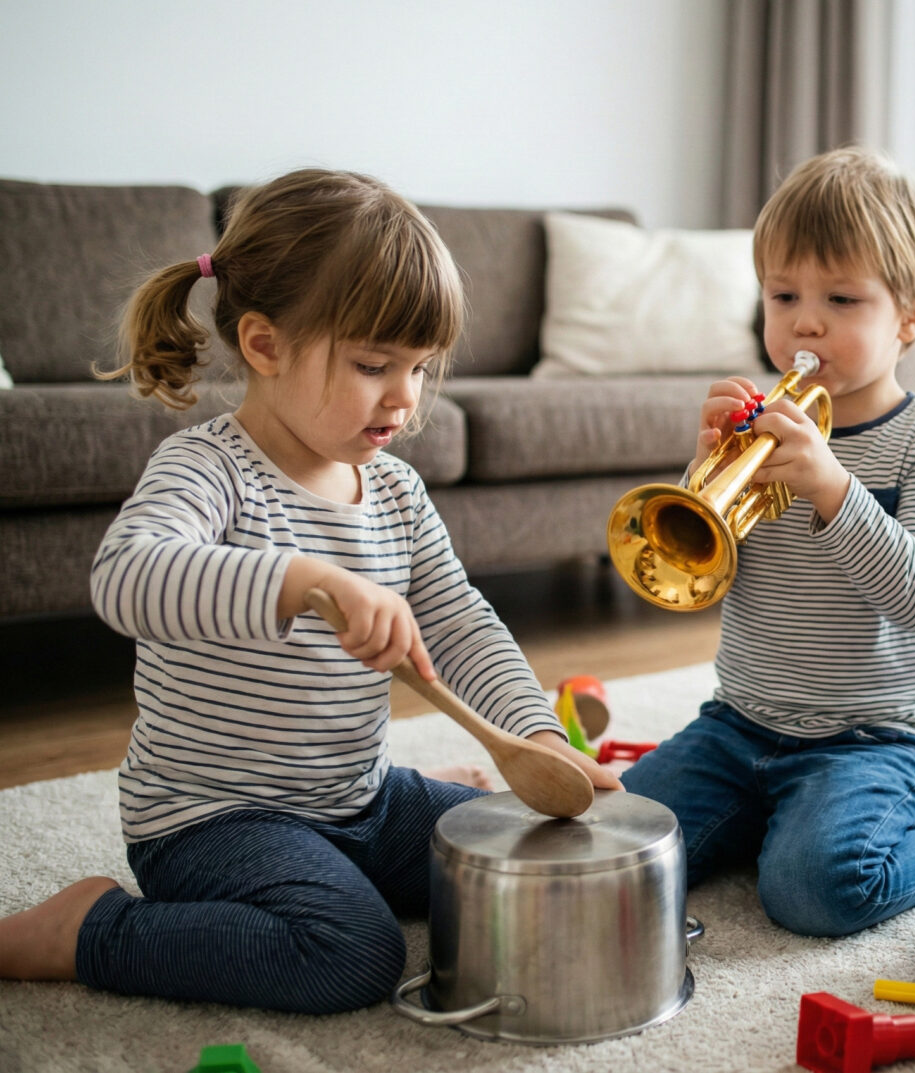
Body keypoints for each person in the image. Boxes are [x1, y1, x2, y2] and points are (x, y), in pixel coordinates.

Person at [0, 169, 619, 1013]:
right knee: (349, 954)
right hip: (211, 819)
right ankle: (85, 930)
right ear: (265, 345)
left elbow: (460, 623)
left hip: (363, 799)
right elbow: (125, 575)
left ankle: (380, 833)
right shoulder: (208, 469)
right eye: (373, 364)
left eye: (421, 367)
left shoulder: (397, 491)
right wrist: (301, 579)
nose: (405, 397)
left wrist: (537, 735)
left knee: (545, 860)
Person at [621, 147, 915, 938]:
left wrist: (833, 486)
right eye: (783, 294)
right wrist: (706, 476)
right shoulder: (754, 431)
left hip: (875, 736)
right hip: (739, 721)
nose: (805, 320)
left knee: (813, 891)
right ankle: (772, 815)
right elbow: (706, 575)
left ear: (912, 316)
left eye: (842, 298)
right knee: (619, 844)